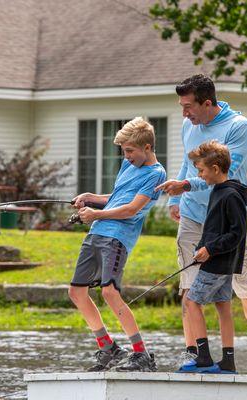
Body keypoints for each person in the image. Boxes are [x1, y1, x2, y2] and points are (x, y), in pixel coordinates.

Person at [156, 74, 247, 375]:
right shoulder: (189, 125)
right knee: (188, 289)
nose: (184, 113)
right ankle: (195, 354)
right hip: (193, 216)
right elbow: (188, 163)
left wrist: (184, 185)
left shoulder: (238, 126)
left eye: (188, 107)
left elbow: (226, 173)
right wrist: (175, 200)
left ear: (207, 102)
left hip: (225, 221)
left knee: (242, 287)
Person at [69, 117, 167, 372]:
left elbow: (132, 209)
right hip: (96, 232)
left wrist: (96, 213)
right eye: (124, 151)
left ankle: (141, 353)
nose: (126, 156)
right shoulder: (128, 164)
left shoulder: (156, 174)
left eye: (130, 151)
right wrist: (91, 198)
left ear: (147, 147)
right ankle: (108, 348)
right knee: (76, 292)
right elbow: (116, 198)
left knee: (109, 292)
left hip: (117, 237)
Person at [179, 140, 247, 374]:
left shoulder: (230, 195)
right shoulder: (219, 191)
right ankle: (228, 361)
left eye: (202, 170)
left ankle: (204, 357)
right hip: (219, 261)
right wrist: (202, 247)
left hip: (218, 262)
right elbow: (214, 228)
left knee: (191, 302)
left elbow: (237, 234)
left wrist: (210, 249)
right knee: (222, 305)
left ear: (216, 169)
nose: (200, 175)